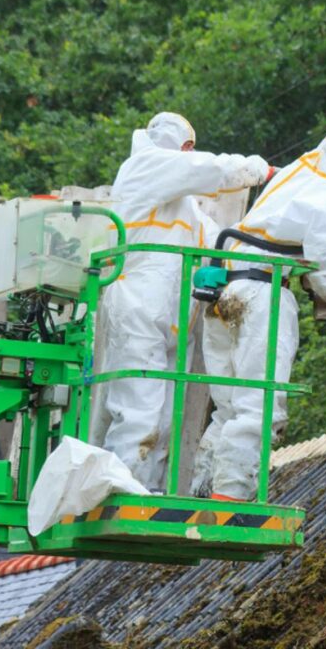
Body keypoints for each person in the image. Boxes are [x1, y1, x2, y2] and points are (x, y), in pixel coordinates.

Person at [192, 124, 326, 501]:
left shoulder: (295, 175)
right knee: (260, 408)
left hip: (224, 289)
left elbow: (322, 178)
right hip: (261, 297)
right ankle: (229, 503)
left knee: (229, 408)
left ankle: (201, 498)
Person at [100, 112, 271, 491]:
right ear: (186, 146)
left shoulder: (183, 208)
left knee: (161, 418)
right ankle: (121, 491)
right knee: (138, 410)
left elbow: (219, 240)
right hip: (139, 307)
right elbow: (213, 170)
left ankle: (148, 493)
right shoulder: (146, 164)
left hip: (169, 316)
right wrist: (262, 170)